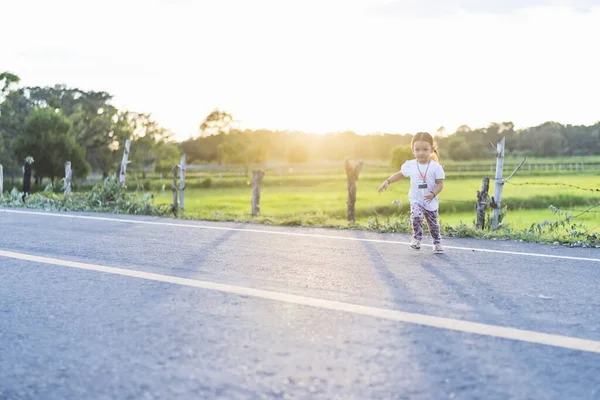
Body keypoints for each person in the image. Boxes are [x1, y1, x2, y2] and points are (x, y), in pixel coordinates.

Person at [378, 132, 445, 253]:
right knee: (416, 216)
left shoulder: (436, 167)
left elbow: (440, 184)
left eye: (425, 149)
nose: (421, 153)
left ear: (431, 149)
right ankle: (417, 239)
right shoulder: (410, 165)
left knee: (433, 225)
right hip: (416, 199)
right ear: (412, 149)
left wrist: (433, 194)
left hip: (431, 200)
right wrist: (388, 181)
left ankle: (437, 242)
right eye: (417, 149)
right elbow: (399, 174)